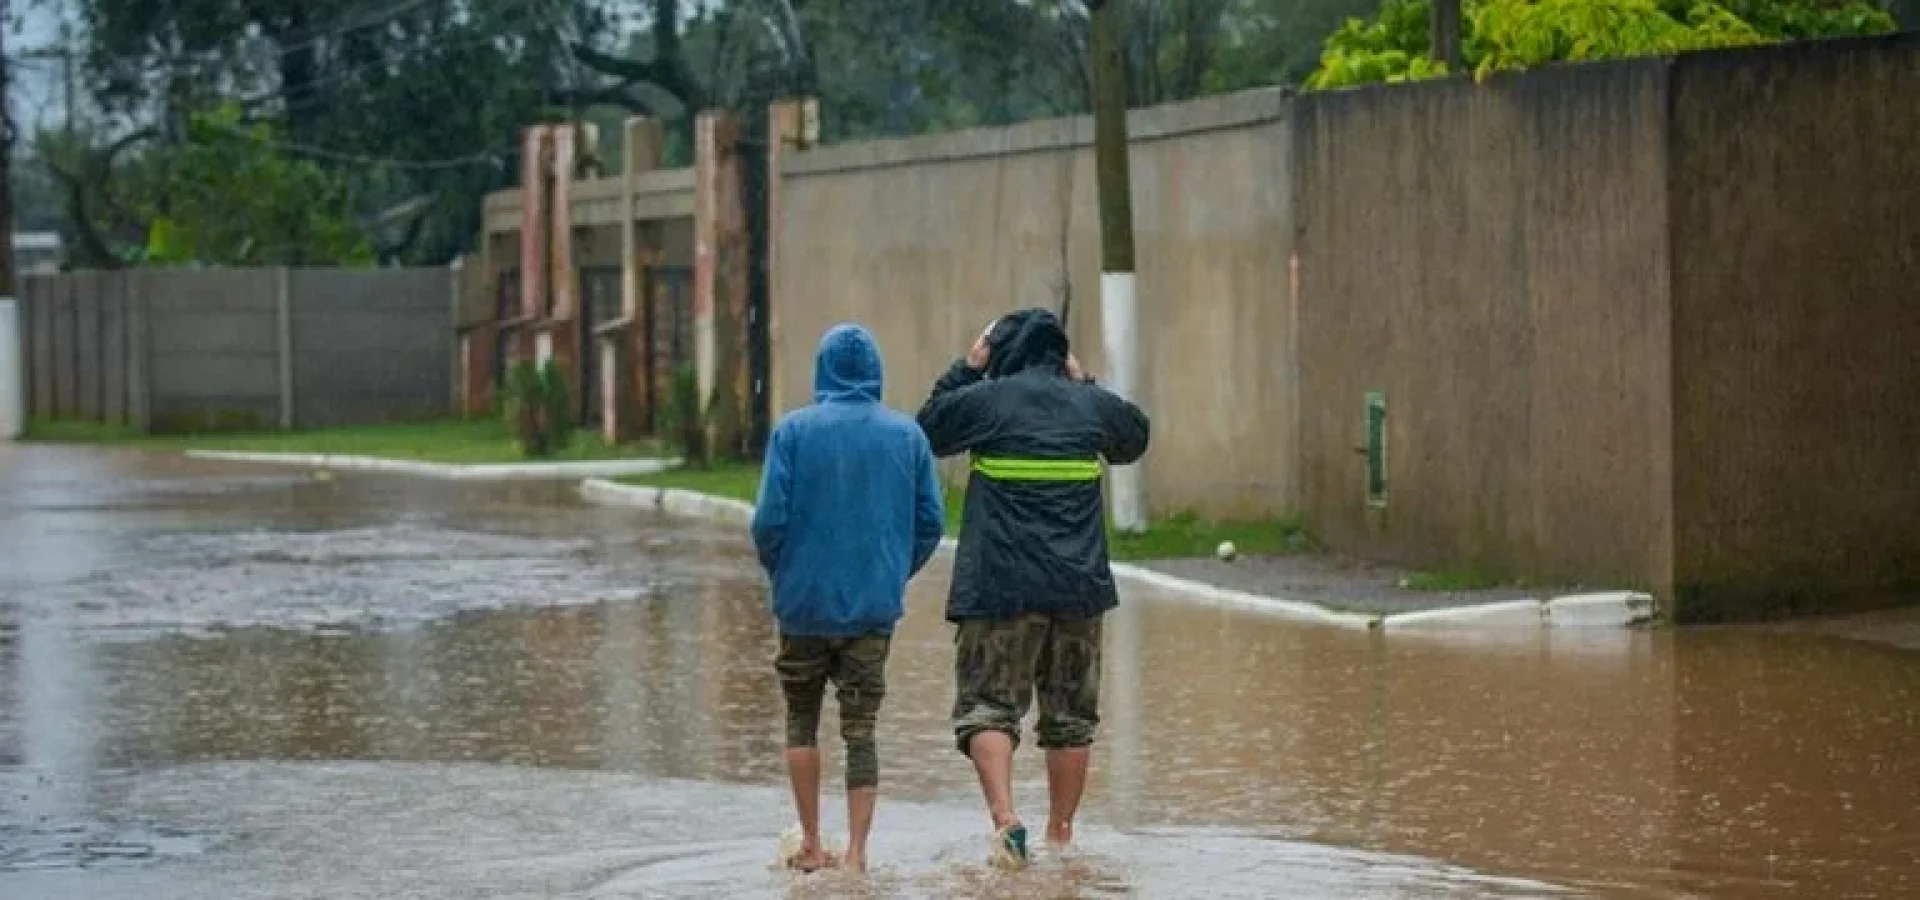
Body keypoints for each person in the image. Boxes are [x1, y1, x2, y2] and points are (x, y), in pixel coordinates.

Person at [914, 308, 1151, 869]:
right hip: (1077, 592)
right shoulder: (1089, 407)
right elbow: (1135, 436)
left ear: (997, 353)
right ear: (1058, 353)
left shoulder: (988, 402)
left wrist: (967, 369)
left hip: (999, 588)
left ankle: (1006, 821)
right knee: (1070, 717)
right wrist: (1084, 379)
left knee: (988, 708)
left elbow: (927, 427)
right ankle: (1062, 835)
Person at [751, 322, 947, 874]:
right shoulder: (906, 436)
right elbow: (930, 523)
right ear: (876, 373)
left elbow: (768, 521)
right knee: (861, 730)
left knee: (800, 721)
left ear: (822, 370)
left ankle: (812, 842)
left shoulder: (793, 432)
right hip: (872, 611)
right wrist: (890, 573)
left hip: (802, 607)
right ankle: (858, 855)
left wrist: (785, 573)